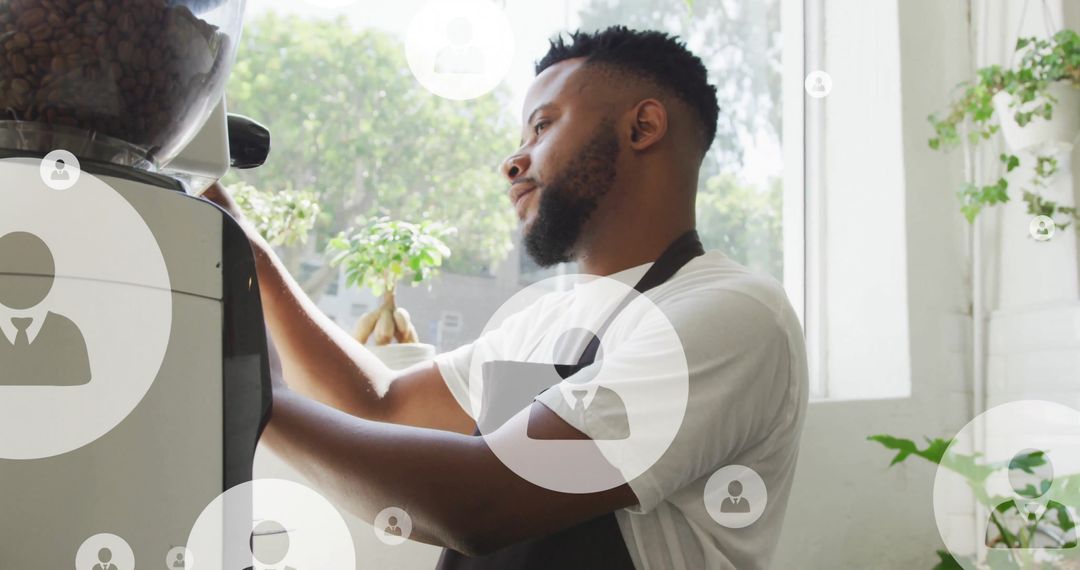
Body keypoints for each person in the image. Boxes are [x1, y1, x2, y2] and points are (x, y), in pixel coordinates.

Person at [203, 25, 807, 570]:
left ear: (641, 126)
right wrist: (236, 236)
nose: (511, 161)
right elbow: (379, 404)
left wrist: (251, 399)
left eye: (542, 125)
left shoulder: (734, 314)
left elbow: (483, 502)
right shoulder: (547, 320)